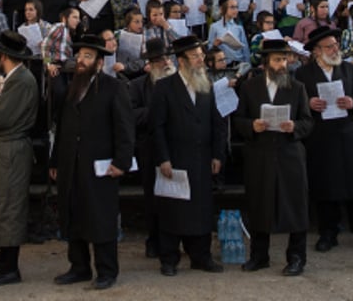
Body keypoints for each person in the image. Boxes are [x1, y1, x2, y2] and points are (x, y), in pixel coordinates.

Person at [48, 34, 135, 290]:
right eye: (80, 56)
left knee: (100, 218)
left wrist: (122, 161)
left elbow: (125, 128)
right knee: (74, 214)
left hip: (101, 165)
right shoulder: (72, 86)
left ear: (99, 62)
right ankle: (79, 267)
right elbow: (62, 127)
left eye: (88, 56)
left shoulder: (113, 87)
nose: (81, 61)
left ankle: (107, 270)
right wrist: (55, 160)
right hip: (70, 164)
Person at [294, 26, 353, 254]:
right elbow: (296, 106)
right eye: (329, 47)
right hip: (320, 136)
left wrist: (352, 102)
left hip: (348, 134)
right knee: (325, 186)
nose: (334, 50)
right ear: (316, 51)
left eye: (335, 45)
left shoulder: (349, 69)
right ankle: (328, 232)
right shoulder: (303, 75)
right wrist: (310, 103)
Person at [234, 38, 314, 275]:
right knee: (260, 203)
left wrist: (294, 127)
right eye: (278, 60)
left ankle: (297, 257)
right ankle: (259, 256)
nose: (283, 64)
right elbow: (238, 120)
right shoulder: (250, 87)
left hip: (289, 153)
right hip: (260, 153)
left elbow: (308, 122)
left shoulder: (297, 87)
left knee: (295, 205)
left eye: (285, 59)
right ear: (266, 62)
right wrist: (252, 126)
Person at [149, 34, 227, 276]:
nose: (201, 60)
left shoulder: (206, 85)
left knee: (201, 209)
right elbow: (157, 127)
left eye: (201, 56)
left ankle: (201, 256)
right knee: (174, 209)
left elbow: (217, 122)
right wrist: (163, 158)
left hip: (202, 158)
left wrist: (217, 154)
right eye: (195, 57)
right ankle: (169, 258)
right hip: (175, 158)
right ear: (181, 60)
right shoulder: (164, 87)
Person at [0, 30, 40, 286]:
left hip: (9, 150)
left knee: (9, 205)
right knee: (1, 203)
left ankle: (11, 267)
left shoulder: (21, 80)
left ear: (3, 55)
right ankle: (4, 255)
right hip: (3, 150)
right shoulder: (15, 78)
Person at [127, 37, 172, 258]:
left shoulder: (176, 85)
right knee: (152, 197)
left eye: (165, 58)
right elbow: (132, 115)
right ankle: (154, 239)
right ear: (150, 64)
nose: (164, 63)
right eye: (158, 60)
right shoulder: (137, 86)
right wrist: (157, 111)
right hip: (148, 148)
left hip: (173, 148)